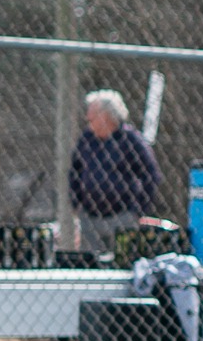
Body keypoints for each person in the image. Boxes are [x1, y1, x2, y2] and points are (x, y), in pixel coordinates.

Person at [68, 89, 160, 258]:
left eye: (93, 114)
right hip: (90, 216)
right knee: (89, 264)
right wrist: (76, 203)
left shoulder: (131, 140)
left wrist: (138, 210)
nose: (88, 118)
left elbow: (151, 174)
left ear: (106, 116)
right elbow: (75, 171)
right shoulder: (87, 139)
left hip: (123, 216)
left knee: (122, 260)